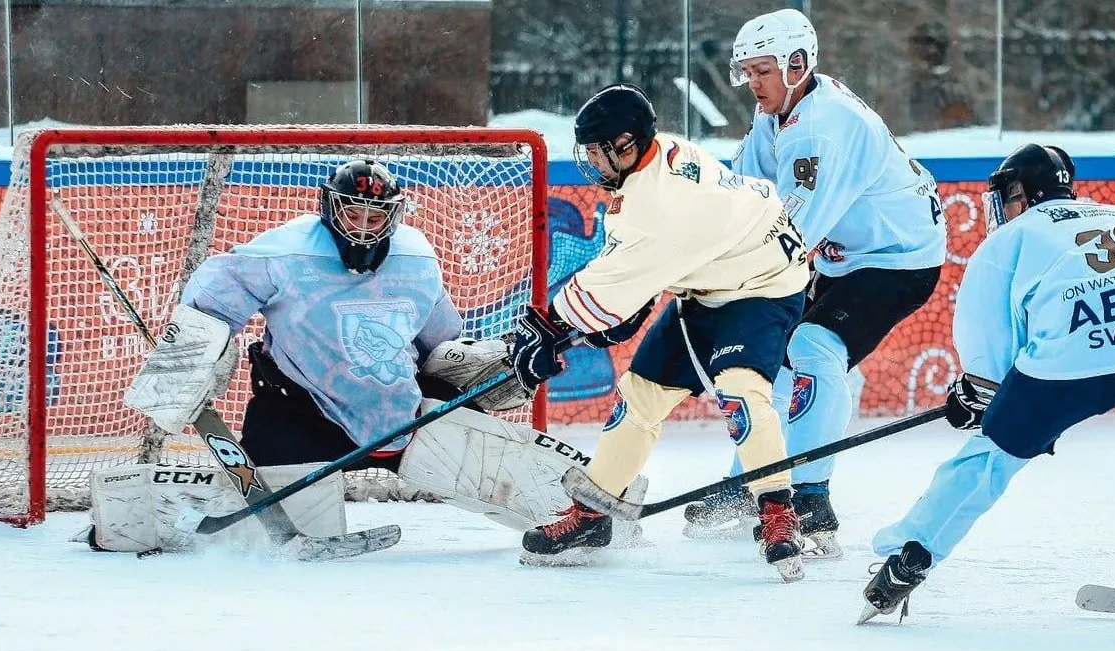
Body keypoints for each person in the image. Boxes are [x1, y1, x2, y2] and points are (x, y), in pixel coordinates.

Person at [115, 158, 645, 550]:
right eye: (352, 211)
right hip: (300, 408)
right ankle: (135, 520)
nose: (364, 226)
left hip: (395, 414)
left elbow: (440, 347)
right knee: (258, 528)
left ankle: (592, 515)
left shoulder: (416, 259)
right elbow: (213, 299)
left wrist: (501, 367)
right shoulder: (286, 251)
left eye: (376, 214)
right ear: (329, 206)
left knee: (490, 457)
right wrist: (194, 351)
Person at [861, 144, 1115, 623]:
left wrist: (977, 396)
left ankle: (908, 559)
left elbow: (988, 355)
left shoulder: (1008, 241)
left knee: (988, 460)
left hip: (1068, 364)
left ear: (1021, 192)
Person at [508, 84, 813, 581]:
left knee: (739, 391)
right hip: (707, 283)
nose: (591, 164)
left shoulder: (663, 203)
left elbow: (615, 279)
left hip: (762, 287)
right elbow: (639, 265)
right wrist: (609, 310)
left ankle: (778, 514)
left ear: (625, 145)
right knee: (640, 394)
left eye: (595, 153)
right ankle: (593, 514)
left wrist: (550, 328)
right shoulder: (656, 159)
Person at [688, 8, 946, 559]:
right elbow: (742, 193)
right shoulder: (777, 113)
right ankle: (753, 483)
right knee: (778, 357)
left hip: (898, 258)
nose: (751, 84)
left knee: (812, 348)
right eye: (747, 72)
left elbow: (790, 232)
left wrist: (711, 273)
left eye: (761, 71)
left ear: (796, 64)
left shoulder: (827, 127)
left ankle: (809, 495)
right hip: (845, 256)